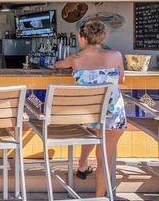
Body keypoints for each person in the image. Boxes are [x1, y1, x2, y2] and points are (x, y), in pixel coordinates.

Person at [54, 20, 126, 198]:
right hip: (113, 115)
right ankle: (99, 196)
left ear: (82, 38)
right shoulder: (116, 55)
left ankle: (83, 164)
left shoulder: (75, 59)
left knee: (92, 129)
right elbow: (121, 79)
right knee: (104, 159)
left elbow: (57, 65)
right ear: (102, 37)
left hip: (89, 115)